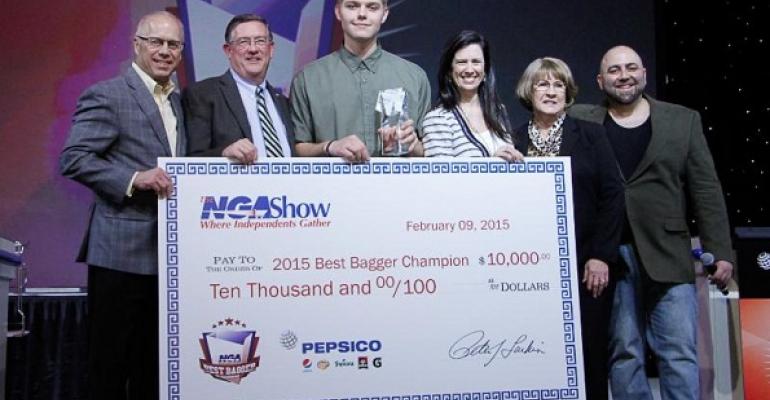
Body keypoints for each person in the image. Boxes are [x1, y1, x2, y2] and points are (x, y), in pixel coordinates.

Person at [570, 45, 734, 400]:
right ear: (600, 80)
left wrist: (720, 249)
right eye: (614, 70)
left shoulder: (682, 119)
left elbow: (705, 188)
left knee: (677, 352)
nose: (623, 75)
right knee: (624, 353)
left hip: (668, 253)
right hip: (609, 256)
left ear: (644, 74)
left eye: (631, 68)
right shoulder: (582, 120)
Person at [59, 11, 186, 400]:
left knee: (154, 369)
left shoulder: (179, 101)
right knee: (109, 369)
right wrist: (134, 179)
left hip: (168, 261)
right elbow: (75, 158)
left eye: (173, 45)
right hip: (119, 256)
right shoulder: (108, 94)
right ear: (136, 44)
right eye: (156, 42)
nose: (164, 51)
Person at [513, 57, 625, 400]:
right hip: (531, 270)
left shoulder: (591, 135)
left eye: (558, 84)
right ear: (528, 92)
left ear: (568, 92)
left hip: (584, 267)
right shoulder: (512, 141)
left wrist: (601, 256)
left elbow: (613, 194)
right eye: (542, 84)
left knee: (588, 354)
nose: (550, 91)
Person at [289, 0, 431, 162]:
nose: (362, 14)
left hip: (398, 185)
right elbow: (297, 149)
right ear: (338, 12)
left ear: (384, 14)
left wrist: (412, 144)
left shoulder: (415, 77)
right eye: (352, 6)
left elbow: (430, 150)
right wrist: (330, 146)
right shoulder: (308, 79)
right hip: (332, 185)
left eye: (372, 7)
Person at [184, 14, 294, 163]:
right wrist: (223, 153)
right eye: (243, 42)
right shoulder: (202, 95)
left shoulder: (284, 102)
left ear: (271, 49)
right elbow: (190, 160)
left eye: (260, 41)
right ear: (228, 50)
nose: (253, 49)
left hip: (288, 185)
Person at [421, 30, 522, 161]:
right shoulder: (438, 119)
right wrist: (491, 164)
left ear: (485, 70)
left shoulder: (498, 111)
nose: (469, 70)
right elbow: (441, 177)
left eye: (476, 62)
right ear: (449, 72)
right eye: (462, 62)